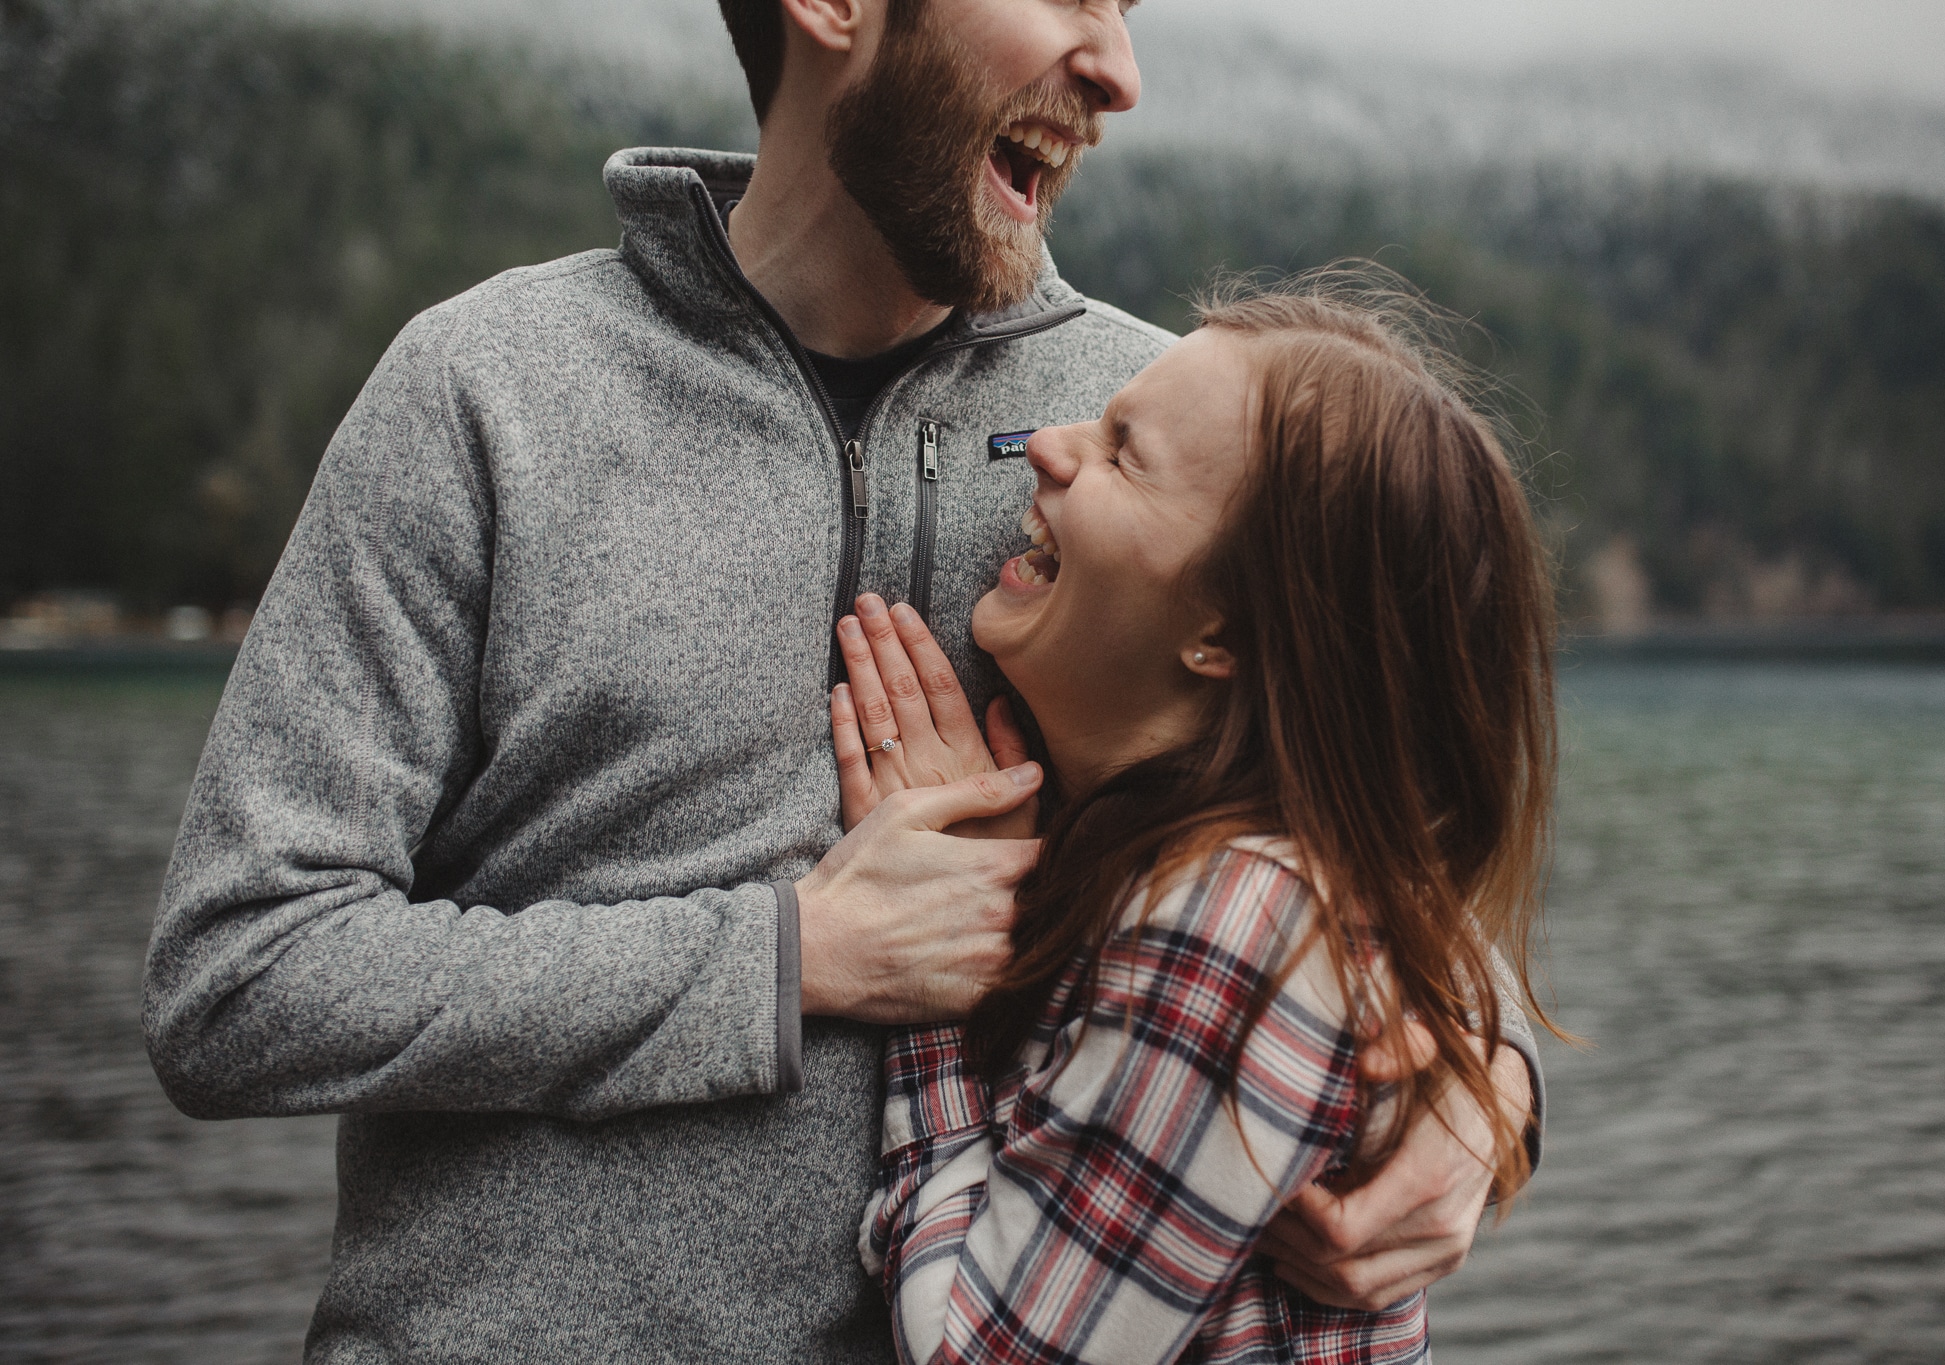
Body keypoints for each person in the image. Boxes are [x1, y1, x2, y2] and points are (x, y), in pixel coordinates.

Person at [140, 0, 1542, 1358]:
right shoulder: (486, 387)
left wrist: (1490, 1104)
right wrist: (787, 957)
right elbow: (238, 974)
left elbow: (1365, 828)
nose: (1119, 68)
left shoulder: (1160, 443)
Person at [838, 273, 1559, 1363]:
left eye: (1122, 452)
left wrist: (935, 967)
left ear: (1222, 637)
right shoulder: (1233, 882)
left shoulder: (1243, 920)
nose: (1044, 446)